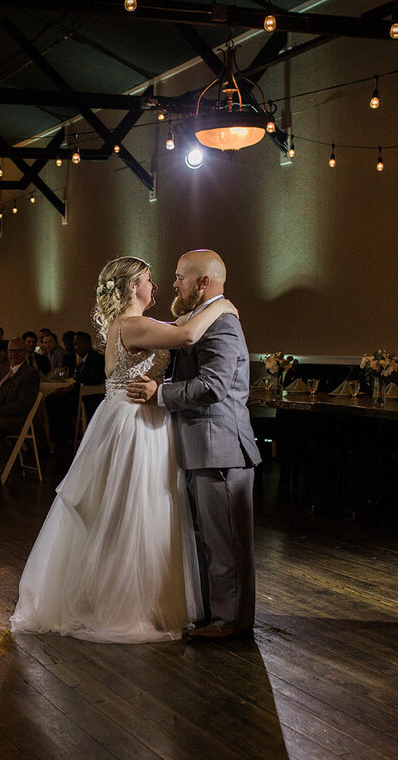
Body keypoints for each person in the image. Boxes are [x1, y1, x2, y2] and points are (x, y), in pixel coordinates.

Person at [10, 255, 237, 643]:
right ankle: (128, 605)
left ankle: (122, 598)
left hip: (122, 418)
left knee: (122, 513)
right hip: (135, 424)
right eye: (150, 279)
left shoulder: (127, 325)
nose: (157, 286)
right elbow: (185, 336)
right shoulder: (132, 325)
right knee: (135, 511)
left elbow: (178, 326)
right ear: (133, 287)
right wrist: (220, 305)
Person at [128, 249, 259, 640]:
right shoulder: (203, 319)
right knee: (207, 539)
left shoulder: (223, 324)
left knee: (226, 543)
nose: (174, 283)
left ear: (203, 282)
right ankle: (213, 616)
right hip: (201, 445)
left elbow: (215, 386)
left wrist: (160, 394)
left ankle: (231, 623)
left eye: (180, 277)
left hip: (221, 446)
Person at [0, 337, 41, 477]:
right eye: (10, 351)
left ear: (25, 353)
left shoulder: (29, 374)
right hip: (0, 412)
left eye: (17, 351)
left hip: (17, 418)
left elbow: (23, 404)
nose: (13, 354)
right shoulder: (6, 371)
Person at [44, 330, 105, 453]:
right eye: (75, 344)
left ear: (89, 343)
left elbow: (94, 377)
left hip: (91, 397)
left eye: (81, 343)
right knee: (51, 399)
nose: (78, 347)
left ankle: (65, 440)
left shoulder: (97, 358)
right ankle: (64, 438)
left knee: (55, 402)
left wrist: (72, 387)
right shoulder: (80, 360)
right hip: (80, 393)